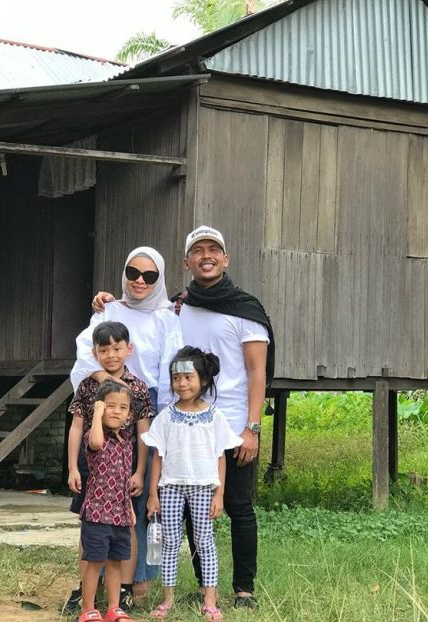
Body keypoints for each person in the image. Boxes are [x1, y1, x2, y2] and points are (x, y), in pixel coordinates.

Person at [94, 226, 274, 609]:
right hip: (181, 422)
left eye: (214, 250)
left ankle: (244, 590)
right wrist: (107, 303)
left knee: (238, 505)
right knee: (191, 508)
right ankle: (201, 586)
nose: (206, 256)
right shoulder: (176, 305)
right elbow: (137, 309)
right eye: (198, 251)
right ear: (186, 262)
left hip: (231, 423)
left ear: (225, 259)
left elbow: (257, 371)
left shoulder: (246, 309)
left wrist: (252, 427)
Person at [68, 247, 183, 611]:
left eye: (150, 276)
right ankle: (88, 587)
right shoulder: (109, 309)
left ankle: (131, 587)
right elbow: (87, 352)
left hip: (143, 407)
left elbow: (170, 366)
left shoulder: (168, 317)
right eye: (133, 272)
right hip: (104, 401)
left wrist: (162, 422)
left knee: (134, 503)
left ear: (160, 279)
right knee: (92, 504)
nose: (139, 281)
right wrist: (105, 382)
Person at [143, 347, 242, 621]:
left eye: (188, 377)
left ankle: (210, 600)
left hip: (203, 487)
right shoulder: (166, 417)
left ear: (204, 381)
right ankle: (167, 599)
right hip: (170, 487)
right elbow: (158, 458)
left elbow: (220, 458)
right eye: (177, 378)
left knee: (204, 541)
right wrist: (153, 494)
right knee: (170, 542)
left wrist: (219, 494)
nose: (182, 383)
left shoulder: (214, 416)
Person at [66, 321, 154, 614]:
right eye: (104, 350)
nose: (111, 355)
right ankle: (84, 592)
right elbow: (77, 427)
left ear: (129, 349)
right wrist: (72, 468)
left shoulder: (138, 387)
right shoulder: (88, 385)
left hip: (124, 466)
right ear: (95, 352)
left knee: (126, 526)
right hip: (92, 464)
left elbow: (143, 433)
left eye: (117, 348)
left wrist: (140, 471)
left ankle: (124, 592)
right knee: (89, 526)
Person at [77, 380, 138, 622]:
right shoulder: (95, 436)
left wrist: (130, 508)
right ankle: (88, 609)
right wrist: (97, 414)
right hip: (97, 514)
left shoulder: (127, 442)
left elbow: (124, 480)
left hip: (120, 514)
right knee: (95, 562)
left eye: (123, 408)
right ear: (99, 408)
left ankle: (113, 608)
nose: (116, 411)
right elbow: (95, 443)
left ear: (130, 414)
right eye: (110, 406)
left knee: (115, 563)